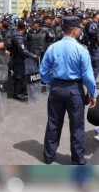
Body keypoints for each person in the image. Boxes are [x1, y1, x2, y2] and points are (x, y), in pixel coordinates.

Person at [40, 16, 98, 165]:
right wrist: (93, 94)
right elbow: (88, 77)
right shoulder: (81, 50)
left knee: (53, 123)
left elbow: (43, 71)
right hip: (74, 90)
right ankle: (78, 160)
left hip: (56, 88)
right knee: (77, 126)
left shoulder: (53, 47)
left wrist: (53, 83)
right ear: (75, 30)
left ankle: (48, 155)